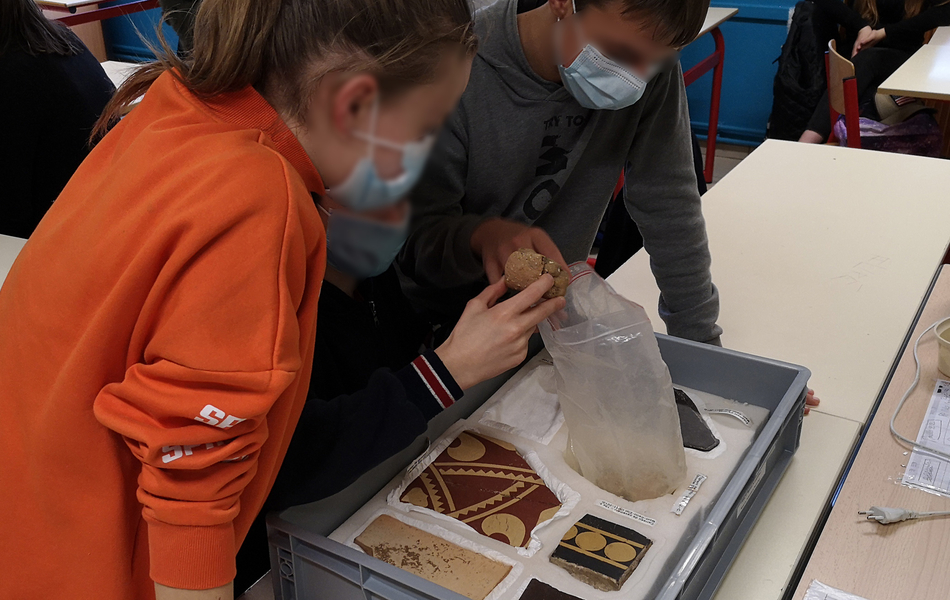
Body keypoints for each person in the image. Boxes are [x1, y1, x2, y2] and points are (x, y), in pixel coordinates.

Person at [0, 0, 488, 599]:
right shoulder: (259, 196)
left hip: (34, 531)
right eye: (422, 129)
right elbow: (194, 482)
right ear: (353, 103)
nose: (420, 156)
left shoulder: (169, 105)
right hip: (101, 572)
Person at [233, 194, 565, 592]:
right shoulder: (275, 313)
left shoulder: (375, 280)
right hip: (290, 543)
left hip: (382, 484)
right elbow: (291, 461)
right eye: (366, 198)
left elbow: (400, 354)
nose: (388, 217)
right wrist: (446, 371)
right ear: (307, 199)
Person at [399, 0, 723, 346]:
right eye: (619, 53)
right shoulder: (458, 64)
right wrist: (481, 235)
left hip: (549, 319)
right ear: (560, 4)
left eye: (656, 61)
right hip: (442, 330)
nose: (637, 79)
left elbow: (669, 203)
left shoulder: (646, 57)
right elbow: (413, 239)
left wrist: (700, 340)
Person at [0, 0, 114, 238]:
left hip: (59, 237)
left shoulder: (12, 73)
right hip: (109, 214)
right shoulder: (60, 38)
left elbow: (10, 212)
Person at [799, 0, 950, 143]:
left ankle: (808, 142)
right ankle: (810, 144)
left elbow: (945, 11)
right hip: (858, 57)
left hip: (901, 61)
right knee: (864, 96)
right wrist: (861, 27)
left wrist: (884, 33)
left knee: (868, 62)